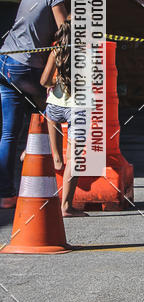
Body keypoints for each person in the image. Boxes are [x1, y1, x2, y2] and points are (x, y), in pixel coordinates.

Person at [0, 0, 67, 209]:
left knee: (8, 132)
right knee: (53, 103)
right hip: (26, 67)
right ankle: (45, 156)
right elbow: (65, 32)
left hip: (5, 62)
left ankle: (6, 194)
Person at [39, 19, 87, 217]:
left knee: (58, 160)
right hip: (78, 108)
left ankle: (47, 199)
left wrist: (58, 80)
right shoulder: (86, 52)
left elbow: (43, 81)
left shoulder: (56, 51)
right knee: (74, 159)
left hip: (54, 108)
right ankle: (65, 206)